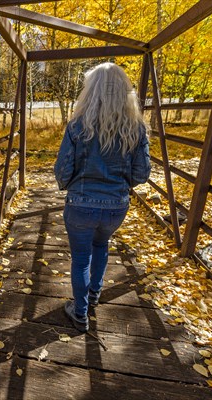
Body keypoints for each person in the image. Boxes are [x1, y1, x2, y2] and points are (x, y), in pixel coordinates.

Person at [54, 62, 151, 332]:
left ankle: (80, 312)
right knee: (101, 245)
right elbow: (142, 174)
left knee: (81, 257)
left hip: (80, 206)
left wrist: (71, 187)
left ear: (91, 91)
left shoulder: (77, 127)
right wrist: (119, 184)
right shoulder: (136, 128)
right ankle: (95, 294)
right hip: (116, 207)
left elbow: (62, 171)